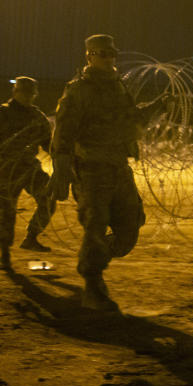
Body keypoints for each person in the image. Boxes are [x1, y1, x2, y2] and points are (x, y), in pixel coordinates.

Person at [47, 34, 168, 311]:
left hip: (118, 167)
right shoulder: (78, 90)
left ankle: (96, 258)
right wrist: (61, 172)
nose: (107, 58)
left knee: (130, 227)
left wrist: (157, 107)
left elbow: (131, 120)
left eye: (111, 53)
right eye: (101, 53)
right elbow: (63, 134)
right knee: (96, 225)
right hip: (91, 170)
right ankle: (92, 283)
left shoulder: (118, 87)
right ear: (89, 56)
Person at [0, 76, 57, 269]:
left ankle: (31, 237)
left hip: (30, 168)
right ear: (15, 92)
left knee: (49, 197)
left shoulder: (37, 117)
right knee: (6, 212)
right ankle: (4, 254)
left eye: (31, 94)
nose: (28, 97)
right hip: (6, 170)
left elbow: (49, 144)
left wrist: (63, 160)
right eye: (25, 93)